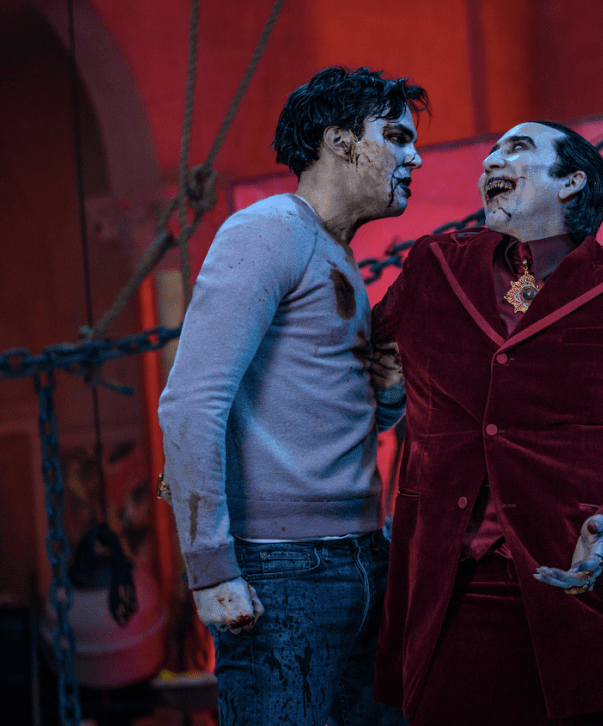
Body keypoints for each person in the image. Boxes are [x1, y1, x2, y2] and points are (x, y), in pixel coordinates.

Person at [371, 121, 603, 725]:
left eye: (517, 148)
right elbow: (347, 355)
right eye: (491, 150)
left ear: (571, 182)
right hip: (460, 596)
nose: (491, 161)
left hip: (594, 588)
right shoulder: (435, 268)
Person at [158, 66, 426, 726]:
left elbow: (320, 416)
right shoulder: (270, 230)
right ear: (339, 141)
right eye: (396, 137)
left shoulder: (333, 253)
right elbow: (191, 402)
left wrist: (389, 397)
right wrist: (212, 569)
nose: (414, 157)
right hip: (284, 571)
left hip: (359, 556)